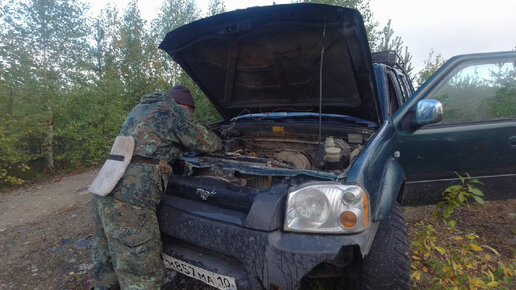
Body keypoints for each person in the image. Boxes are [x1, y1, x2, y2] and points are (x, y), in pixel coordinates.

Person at [90, 85, 222, 290]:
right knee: (140, 272)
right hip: (130, 201)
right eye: (192, 113)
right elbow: (209, 143)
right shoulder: (175, 112)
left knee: (106, 266)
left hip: (104, 187)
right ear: (186, 107)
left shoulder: (140, 109)